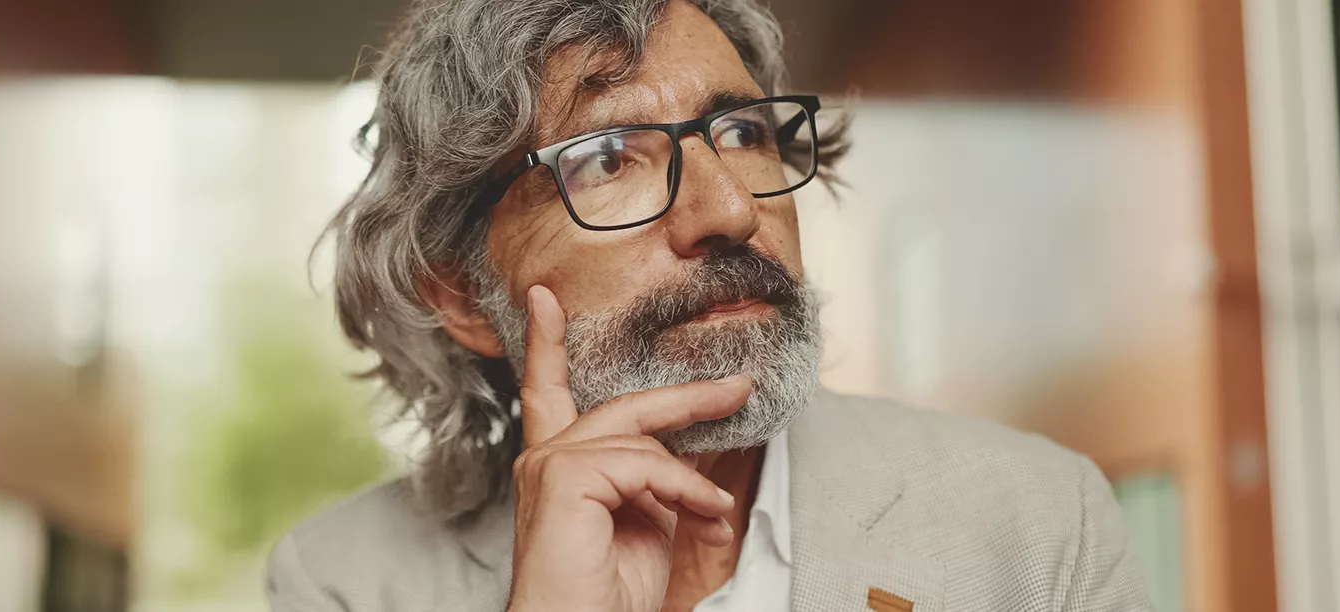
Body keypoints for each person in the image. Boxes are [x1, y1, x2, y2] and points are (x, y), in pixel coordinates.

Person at [269, 0, 1152, 610]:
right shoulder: (343, 581)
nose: (729, 211)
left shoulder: (1035, 522)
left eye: (742, 133)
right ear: (463, 294)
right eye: (609, 157)